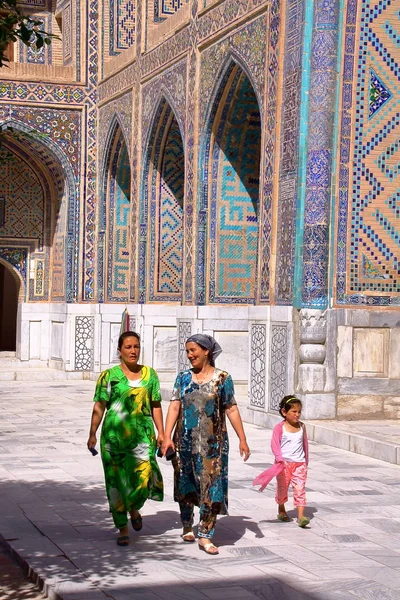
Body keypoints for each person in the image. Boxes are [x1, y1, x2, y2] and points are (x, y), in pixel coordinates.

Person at [162, 333, 250, 555]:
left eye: (193, 351)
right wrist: (166, 435)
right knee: (186, 482)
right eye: (187, 351)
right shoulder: (183, 378)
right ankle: (186, 524)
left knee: (212, 487)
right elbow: (174, 406)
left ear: (206, 351)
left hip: (213, 445)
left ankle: (206, 534)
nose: (189, 355)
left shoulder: (222, 379)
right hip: (185, 442)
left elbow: (231, 408)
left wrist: (243, 438)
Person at [87, 331, 164, 546]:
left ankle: (133, 508)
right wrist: (92, 432)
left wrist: (162, 432)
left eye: (136, 346)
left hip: (142, 437)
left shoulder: (150, 375)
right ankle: (122, 527)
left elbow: (156, 405)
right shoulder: (108, 376)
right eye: (128, 347)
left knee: (143, 475)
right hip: (113, 438)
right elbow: (99, 405)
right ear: (119, 351)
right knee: (115, 482)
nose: (133, 351)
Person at [253, 395, 309, 527]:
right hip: (283, 464)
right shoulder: (279, 428)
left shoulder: (302, 426)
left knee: (300, 488)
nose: (297, 415)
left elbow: (305, 444)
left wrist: (306, 460)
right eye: (294, 412)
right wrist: (279, 459)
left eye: (299, 412)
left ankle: (301, 516)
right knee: (283, 488)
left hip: (299, 464)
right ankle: (282, 509)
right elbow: (275, 444)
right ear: (284, 412)